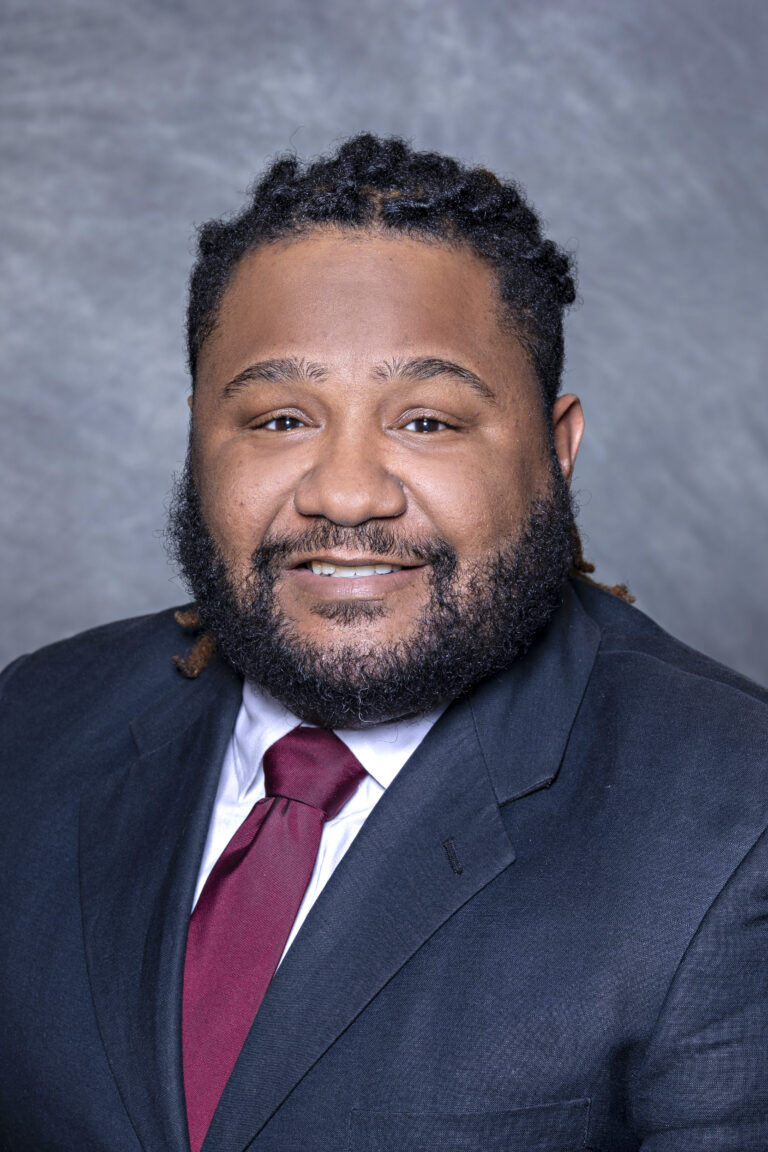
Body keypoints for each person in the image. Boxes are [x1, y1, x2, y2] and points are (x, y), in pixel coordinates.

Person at [1, 133, 767, 1152]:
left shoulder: (736, 818)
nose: (347, 493)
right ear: (196, 438)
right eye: (280, 420)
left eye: (428, 422)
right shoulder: (33, 722)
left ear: (556, 449)